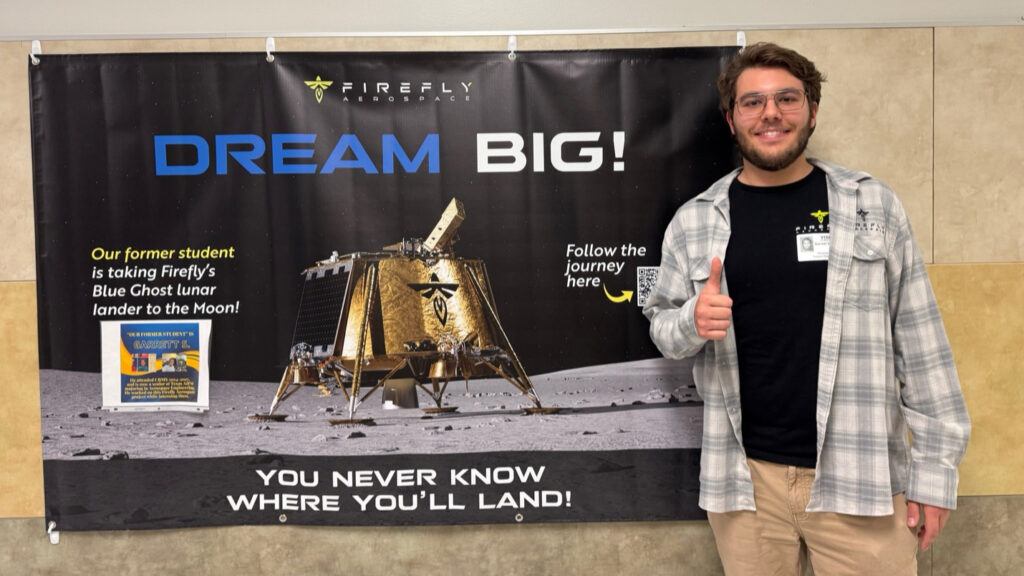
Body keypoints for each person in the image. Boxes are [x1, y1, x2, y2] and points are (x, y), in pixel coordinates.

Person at [643, 43, 970, 575]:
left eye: (786, 99)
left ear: (812, 111)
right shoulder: (694, 221)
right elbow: (662, 326)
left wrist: (935, 474)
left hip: (859, 477)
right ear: (731, 120)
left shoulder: (873, 205)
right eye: (753, 103)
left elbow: (921, 343)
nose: (770, 113)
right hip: (746, 485)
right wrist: (691, 322)